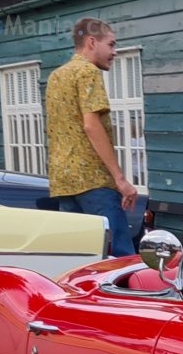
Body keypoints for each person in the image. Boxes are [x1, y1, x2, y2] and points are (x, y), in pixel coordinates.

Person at [44, 18, 138, 257]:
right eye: (111, 44)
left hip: (63, 182)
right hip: (94, 181)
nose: (114, 52)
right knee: (120, 258)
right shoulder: (88, 72)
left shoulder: (56, 76)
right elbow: (91, 125)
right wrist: (120, 179)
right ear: (92, 42)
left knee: (79, 260)